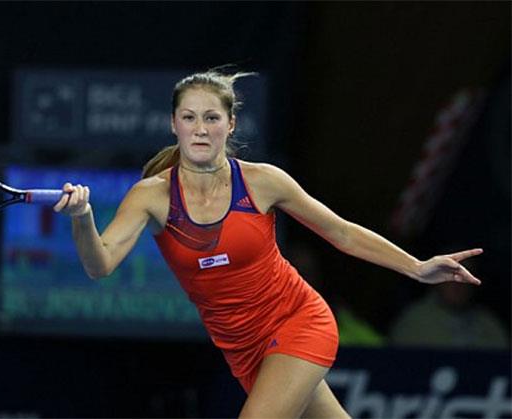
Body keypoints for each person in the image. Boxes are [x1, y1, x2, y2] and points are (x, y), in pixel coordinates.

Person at [54, 70, 483, 418]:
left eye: (211, 118)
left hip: (298, 321)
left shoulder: (263, 181)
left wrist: (417, 267)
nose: (200, 129)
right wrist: (83, 218)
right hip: (244, 350)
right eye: (189, 118)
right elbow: (99, 265)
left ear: (230, 124)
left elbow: (342, 233)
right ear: (173, 124)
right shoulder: (151, 196)